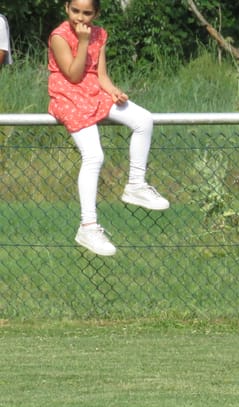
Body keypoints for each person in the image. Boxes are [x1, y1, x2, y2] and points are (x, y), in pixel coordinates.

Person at [48, 0, 169, 257]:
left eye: (87, 13)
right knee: (94, 156)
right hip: (70, 97)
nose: (81, 17)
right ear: (67, 8)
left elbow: (100, 75)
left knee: (143, 119)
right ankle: (88, 226)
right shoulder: (59, 36)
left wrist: (113, 91)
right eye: (76, 11)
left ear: (97, 13)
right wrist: (82, 42)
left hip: (94, 92)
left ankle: (135, 184)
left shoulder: (100, 34)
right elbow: (73, 74)